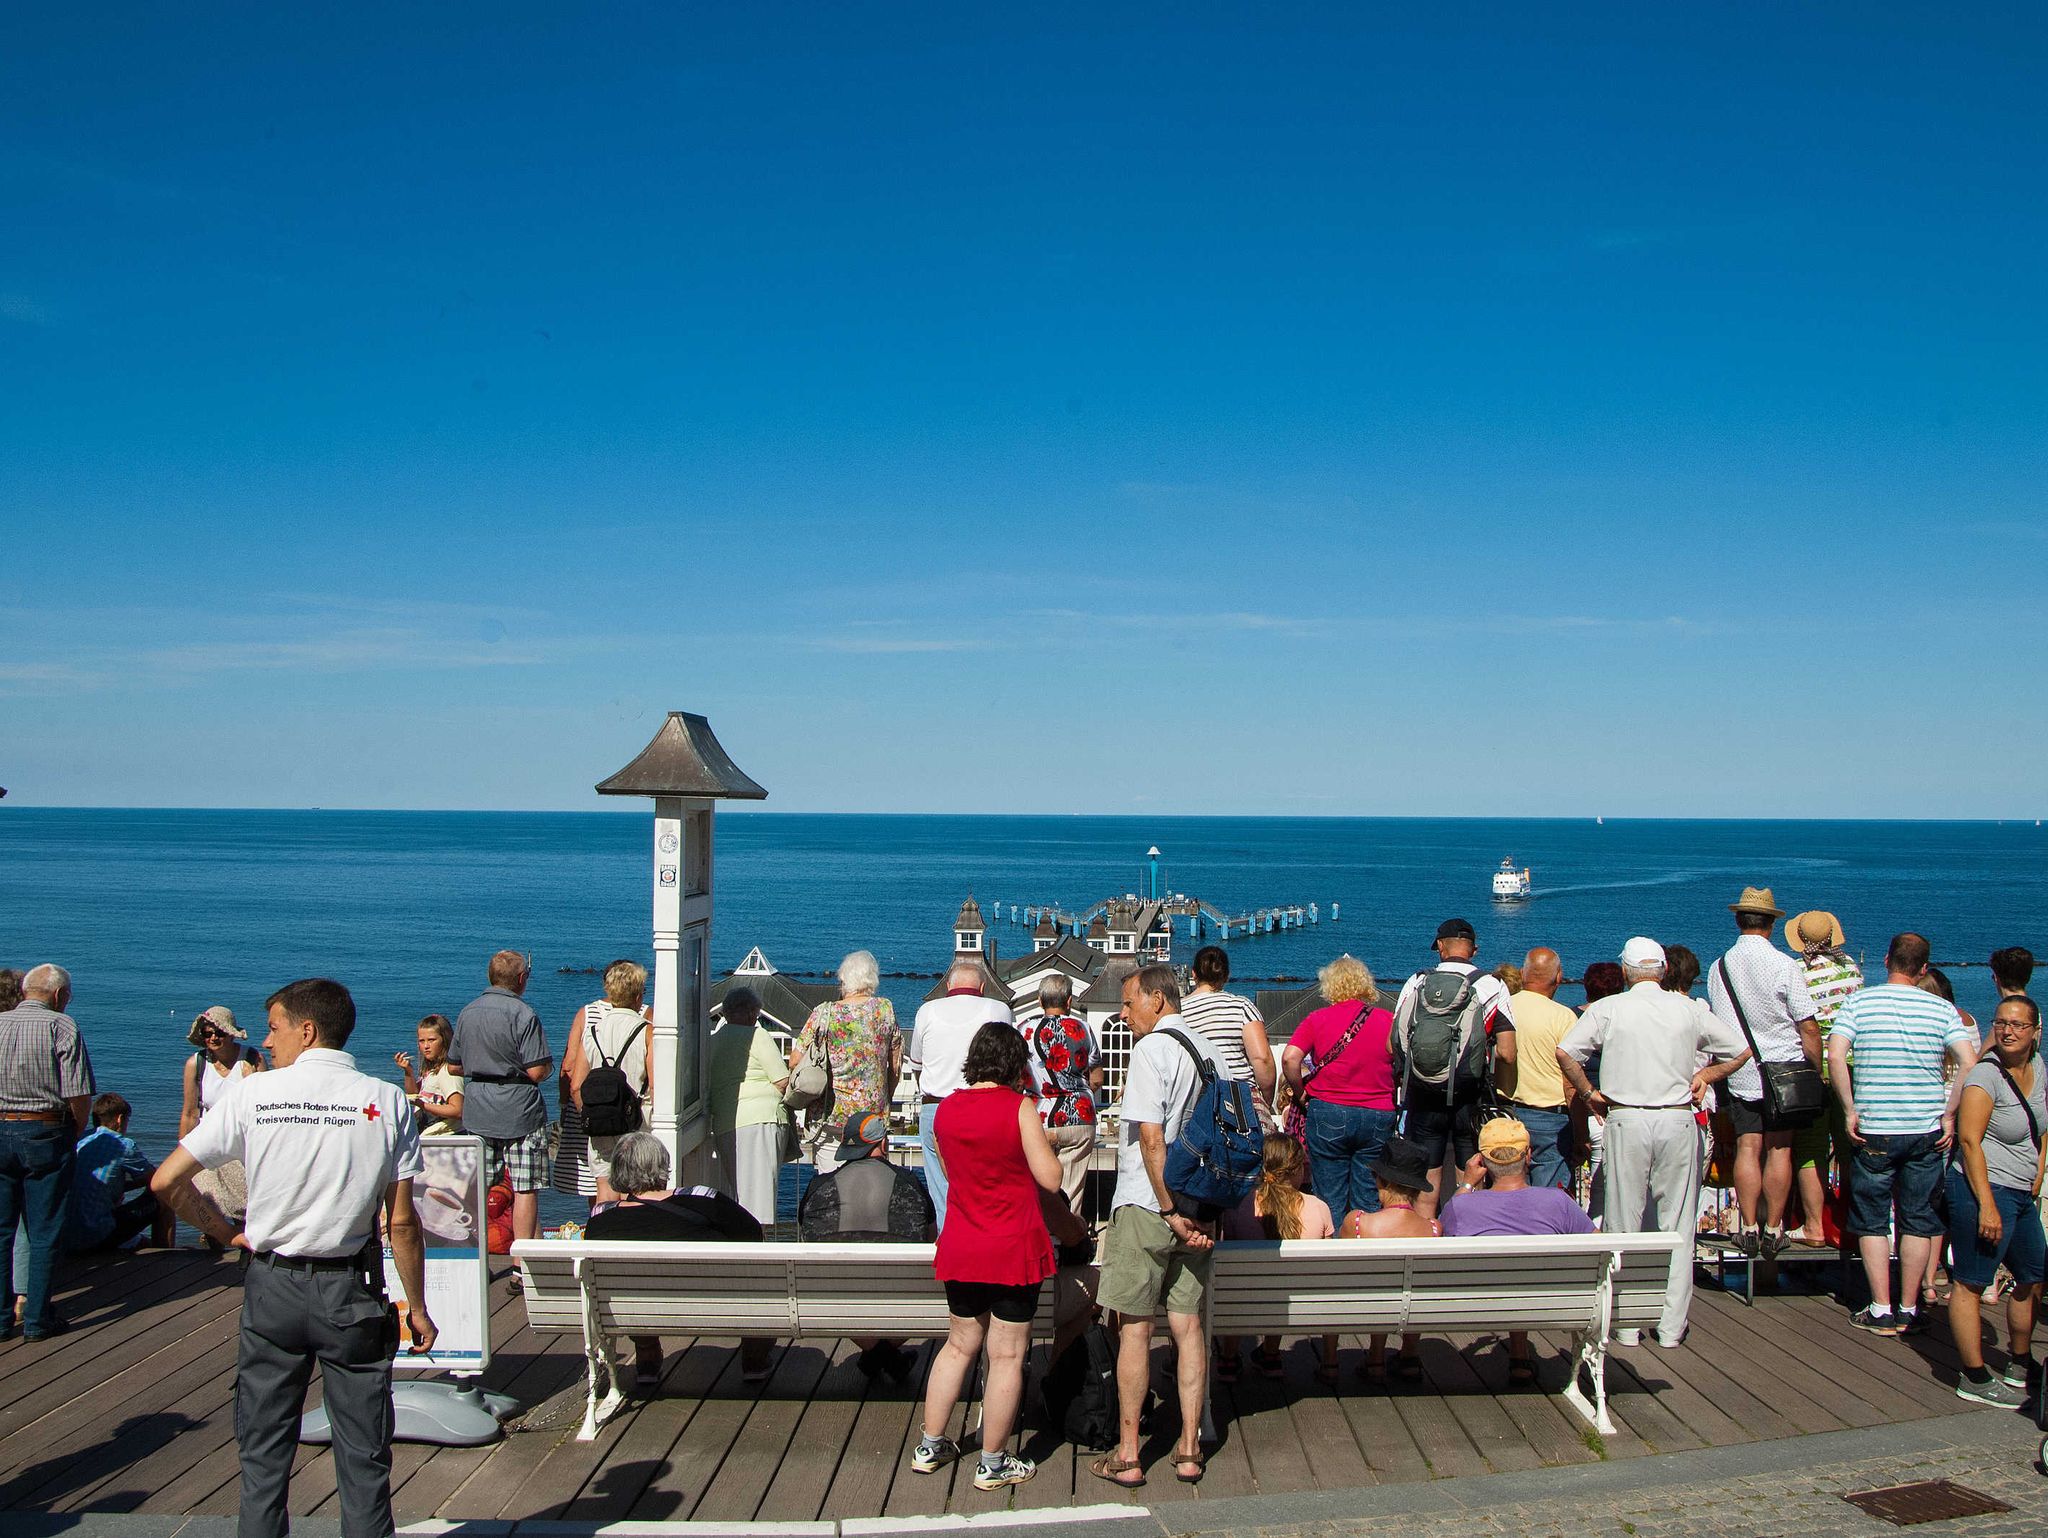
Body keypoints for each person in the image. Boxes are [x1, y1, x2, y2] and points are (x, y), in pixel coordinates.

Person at [152, 977, 435, 1538]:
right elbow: (401, 1222)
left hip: (272, 1286)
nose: (266, 1038)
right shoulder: (386, 1101)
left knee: (262, 1455)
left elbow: (166, 1181)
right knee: (364, 1457)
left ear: (307, 1031)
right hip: (350, 1293)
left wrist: (226, 1232)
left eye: (275, 1026)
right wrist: (418, 1307)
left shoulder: (253, 1094)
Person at [913, 1022, 1087, 1491]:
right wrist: (1039, 1146)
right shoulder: (1019, 1107)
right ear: (1016, 1064)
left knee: (958, 1346)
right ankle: (992, 1462)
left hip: (963, 1244)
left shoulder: (946, 1111)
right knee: (1007, 1355)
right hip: (1014, 1248)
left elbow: (951, 1172)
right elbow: (1050, 1179)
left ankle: (931, 1445)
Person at [1557, 938, 1747, 1349]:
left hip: (1626, 1117)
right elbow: (1739, 1050)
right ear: (1661, 972)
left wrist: (1590, 1093)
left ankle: (1625, 1324)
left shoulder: (1610, 1008)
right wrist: (1705, 1078)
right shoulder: (1690, 1010)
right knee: (1676, 1224)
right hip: (1677, 1119)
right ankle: (1670, 1327)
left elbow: (1567, 1051)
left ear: (1625, 972)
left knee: (1624, 1220)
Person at [1090, 963, 1219, 1490]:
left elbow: (1149, 1138)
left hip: (1151, 1206)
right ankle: (1189, 1448)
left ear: (1158, 1001)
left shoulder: (1151, 1051)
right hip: (1203, 1206)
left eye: (1129, 1003)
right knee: (1188, 1327)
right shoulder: (1208, 1051)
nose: (1123, 1015)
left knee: (1136, 1330)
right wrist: (1193, 1215)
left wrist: (1168, 1209)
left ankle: (1128, 1454)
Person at [1829, 932, 1978, 1335]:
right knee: (1917, 1219)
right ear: (1924, 968)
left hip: (1875, 1126)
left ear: (1886, 960)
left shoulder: (1860, 1002)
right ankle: (1909, 1307)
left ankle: (1880, 1307)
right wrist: (1949, 1113)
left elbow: (1836, 1053)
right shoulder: (1940, 1009)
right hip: (1926, 1127)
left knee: (1873, 1219)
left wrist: (1849, 1109)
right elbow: (1969, 1061)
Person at [585, 1131, 771, 1390]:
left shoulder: (600, 1221)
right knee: (760, 1279)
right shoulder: (702, 1199)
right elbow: (752, 1233)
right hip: (717, 1304)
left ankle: (647, 1352)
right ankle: (754, 1359)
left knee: (632, 1285)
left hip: (635, 1310)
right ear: (662, 1164)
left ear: (617, 1169)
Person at [1707, 887, 1822, 1258]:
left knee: (1747, 1146)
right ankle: (1775, 1227)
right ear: (1772, 924)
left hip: (1740, 1070)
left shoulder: (1719, 966)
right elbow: (1807, 1025)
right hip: (1784, 1068)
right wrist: (1815, 1071)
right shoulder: (1784, 965)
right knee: (1780, 1149)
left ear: (1739, 920)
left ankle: (1749, 1227)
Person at [1943, 995, 2045, 1405]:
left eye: (2018, 1025)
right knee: (1971, 1281)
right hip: (1982, 1187)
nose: (2007, 1031)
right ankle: (1974, 1375)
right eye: (2001, 1022)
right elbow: (1969, 1142)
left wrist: (2037, 1171)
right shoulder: (1985, 1077)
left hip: (2019, 1190)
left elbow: (2042, 1120)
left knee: (2033, 1273)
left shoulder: (2038, 1067)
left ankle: (2019, 1361)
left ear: (2036, 1031)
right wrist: (1986, 1204)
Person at [1440, 1117, 1594, 1383]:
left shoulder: (1461, 1207)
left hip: (1477, 1305)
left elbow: (1440, 1240)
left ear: (1481, 1161)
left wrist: (1466, 1184)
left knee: (1511, 1276)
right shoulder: (1557, 1202)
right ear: (1528, 1156)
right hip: (1547, 1304)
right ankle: (1520, 1355)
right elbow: (1598, 1245)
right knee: (1525, 1276)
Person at [1391, 919, 1517, 1219]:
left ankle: (1425, 1240)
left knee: (1427, 1182)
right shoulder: (1491, 985)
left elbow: (1391, 1042)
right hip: (1468, 1094)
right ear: (1474, 950)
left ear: (1440, 947)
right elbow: (1508, 1053)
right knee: (1470, 1176)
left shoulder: (1418, 981)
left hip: (1423, 1094)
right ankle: (1466, 1236)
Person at [797, 1110, 935, 1382]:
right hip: (904, 1292)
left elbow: (805, 1237)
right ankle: (886, 1356)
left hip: (833, 1298)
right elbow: (930, 1236)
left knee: (829, 1285)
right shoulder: (910, 1183)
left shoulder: (818, 1186)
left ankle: (877, 1352)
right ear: (883, 1144)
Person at [0, 964, 95, 1342]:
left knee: (2, 1230)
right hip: (44, 1130)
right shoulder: (62, 1026)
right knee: (44, 1229)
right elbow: (78, 1094)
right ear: (59, 996)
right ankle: (38, 1318)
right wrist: (72, 1132)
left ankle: (2, 1317)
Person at [1281, 954, 1397, 1218]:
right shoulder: (1387, 1019)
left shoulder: (1317, 1019)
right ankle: (1365, 1250)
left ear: (1329, 986)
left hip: (1329, 1110)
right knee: (1369, 1196)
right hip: (1378, 1112)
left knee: (1329, 1197)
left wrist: (1300, 1094)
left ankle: (1331, 1253)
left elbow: (1290, 1058)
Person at [1218, 1132, 1338, 1385]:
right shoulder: (1318, 1207)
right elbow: (1327, 1268)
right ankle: (1271, 1354)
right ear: (1297, 1170)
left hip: (1245, 1300)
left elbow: (1228, 1256)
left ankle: (1228, 1358)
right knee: (1283, 1283)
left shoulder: (1240, 1205)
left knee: (1238, 1285)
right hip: (1299, 1303)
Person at [453, 950, 552, 1243]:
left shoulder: (467, 1012)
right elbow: (536, 1071)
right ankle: (522, 1264)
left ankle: (473, 1255)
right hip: (519, 1109)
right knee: (525, 1188)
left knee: (478, 1188)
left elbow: (454, 1064)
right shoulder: (524, 1014)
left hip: (478, 1108)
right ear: (521, 979)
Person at [907, 958, 1013, 1228]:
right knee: (984, 1178)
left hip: (936, 1106)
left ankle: (948, 1237)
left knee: (941, 1184)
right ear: (983, 986)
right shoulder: (998, 1009)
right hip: (983, 1106)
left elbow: (917, 1064)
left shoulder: (927, 1011)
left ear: (948, 986)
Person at [1782, 912, 1864, 1243]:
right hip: (1852, 1067)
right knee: (1850, 1148)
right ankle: (1853, 1223)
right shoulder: (1851, 970)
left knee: (1810, 1149)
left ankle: (1814, 1225)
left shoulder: (1796, 972)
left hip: (1813, 1069)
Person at [1337, 1134, 1438, 1383]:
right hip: (1412, 1308)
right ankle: (1410, 1355)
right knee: (1413, 1289)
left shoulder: (1358, 1222)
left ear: (1383, 1181)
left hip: (1365, 1306)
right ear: (1416, 1188)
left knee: (1377, 1286)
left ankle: (1375, 1357)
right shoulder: (1434, 1228)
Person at [790, 950, 900, 1175]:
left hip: (832, 1118)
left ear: (843, 981)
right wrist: (886, 1096)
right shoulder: (885, 1009)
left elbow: (795, 1061)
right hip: (872, 1121)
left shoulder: (824, 1013)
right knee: (872, 1188)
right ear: (872, 980)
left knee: (833, 1187)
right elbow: (895, 1064)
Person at [696, 986, 790, 1227]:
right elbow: (782, 1081)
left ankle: (741, 1242)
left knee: (739, 1192)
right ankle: (760, 1250)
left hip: (727, 1122)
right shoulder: (758, 1037)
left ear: (725, 1013)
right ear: (752, 1013)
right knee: (761, 1196)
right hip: (761, 1120)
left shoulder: (712, 1042)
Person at [175, 1006, 263, 1245]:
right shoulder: (196, 1064)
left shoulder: (252, 1059)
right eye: (207, 1033)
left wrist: (251, 1080)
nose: (213, 1038)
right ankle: (215, 1241)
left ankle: (249, 1245)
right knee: (208, 1199)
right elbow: (190, 1112)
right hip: (209, 1141)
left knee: (246, 1202)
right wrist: (182, 1151)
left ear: (231, 1034)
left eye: (218, 1033)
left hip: (242, 1143)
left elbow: (264, 1105)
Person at [569, 960, 654, 1206]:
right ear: (638, 996)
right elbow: (655, 1084)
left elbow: (576, 1085)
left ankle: (602, 1235)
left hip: (600, 1120)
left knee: (604, 1186)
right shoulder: (646, 1031)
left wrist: (590, 1113)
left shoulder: (593, 1031)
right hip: (637, 1121)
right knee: (635, 1185)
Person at [1501, 948, 1581, 1191]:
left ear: (1523, 973)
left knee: (1509, 1194)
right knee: (1547, 1200)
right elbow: (1570, 1082)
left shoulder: (1504, 1008)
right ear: (1558, 977)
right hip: (1551, 1118)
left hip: (1506, 1113)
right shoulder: (1563, 1017)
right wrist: (1581, 1134)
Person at [1025, 975, 1103, 1213]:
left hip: (1038, 1118)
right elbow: (1097, 1077)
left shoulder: (1024, 1029)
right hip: (1079, 1115)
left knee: (1038, 1190)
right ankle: (1069, 1240)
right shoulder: (1084, 1029)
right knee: (1071, 1192)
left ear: (1040, 1001)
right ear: (1069, 1001)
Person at [1180, 946, 1276, 1123]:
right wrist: (1265, 1100)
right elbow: (1262, 1058)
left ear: (1193, 974)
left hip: (1197, 1103)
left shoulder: (1179, 1012)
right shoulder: (1242, 1007)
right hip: (1241, 1099)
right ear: (1226, 975)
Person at [69, 1092, 169, 1250]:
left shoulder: (80, 1140)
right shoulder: (123, 1145)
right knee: (164, 1195)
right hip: (96, 1233)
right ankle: (166, 1256)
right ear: (120, 1119)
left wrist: (119, 1187)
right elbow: (156, 1180)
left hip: (67, 1235)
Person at [395, 1014, 463, 1136]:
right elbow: (414, 1094)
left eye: (431, 1040)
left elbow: (457, 1110)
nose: (426, 1046)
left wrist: (423, 1105)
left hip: (444, 1137)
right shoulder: (431, 1070)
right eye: (422, 1041)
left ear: (444, 1040)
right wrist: (408, 1072)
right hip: (431, 1134)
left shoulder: (447, 1071)